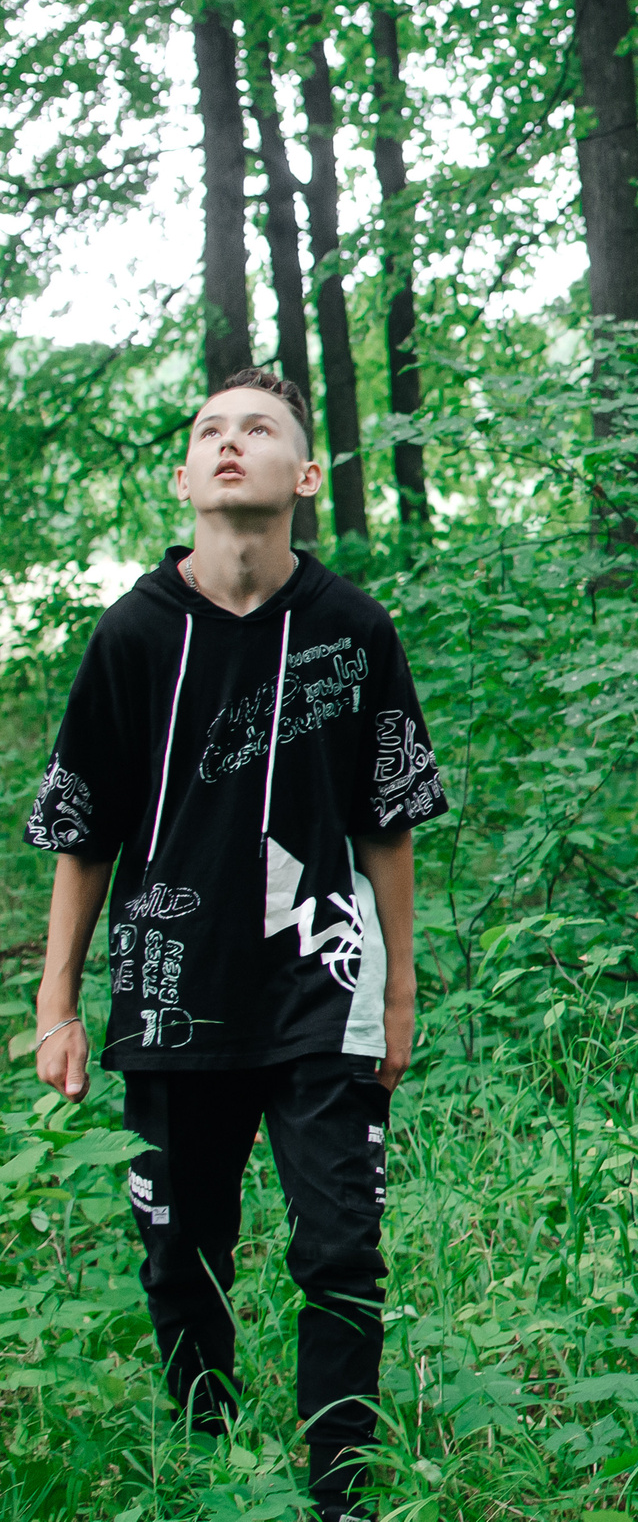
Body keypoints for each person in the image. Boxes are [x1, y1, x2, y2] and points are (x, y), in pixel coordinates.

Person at [26, 367, 448, 1521]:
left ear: (303, 476)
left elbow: (386, 821)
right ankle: (207, 1462)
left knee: (341, 1254)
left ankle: (341, 1492)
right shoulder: (131, 634)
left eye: (258, 430)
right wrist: (57, 1003)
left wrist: (401, 993)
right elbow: (84, 832)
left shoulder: (356, 630)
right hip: (172, 992)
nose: (229, 443)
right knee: (180, 1253)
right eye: (209, 430)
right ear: (183, 476)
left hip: (326, 985)